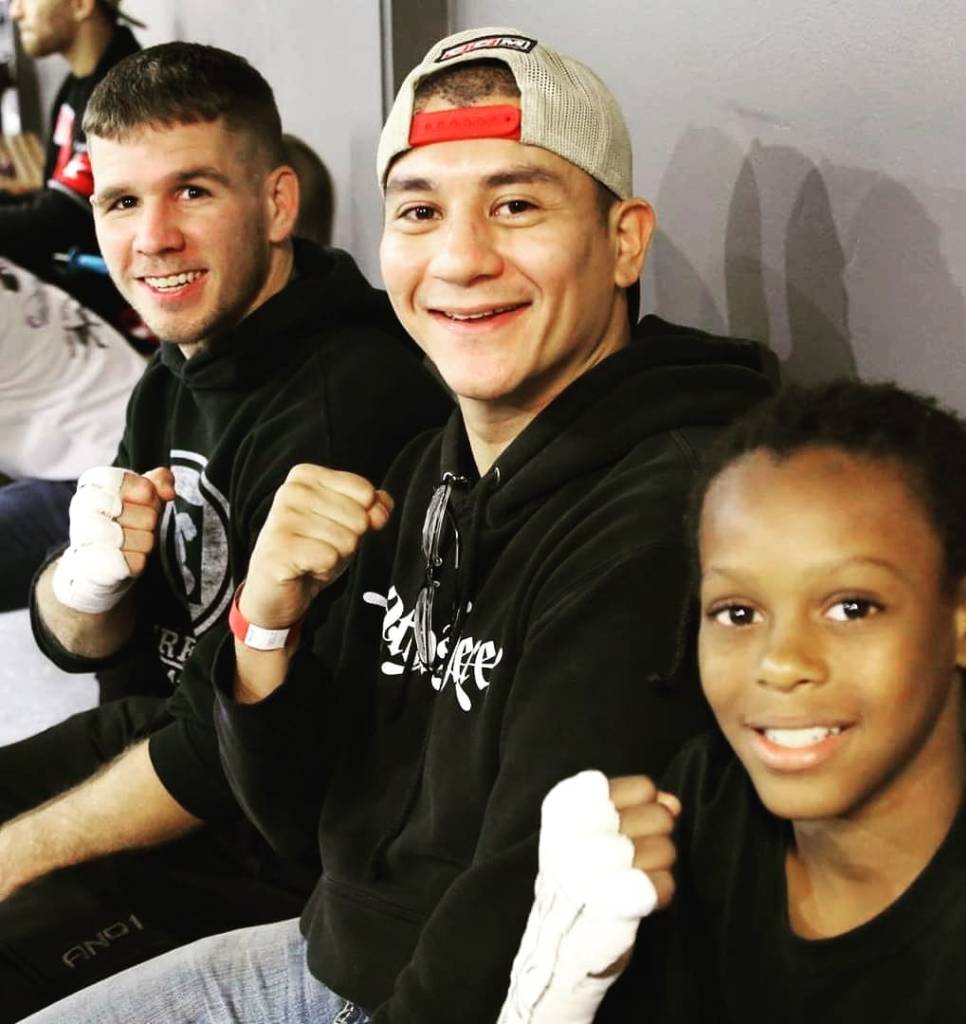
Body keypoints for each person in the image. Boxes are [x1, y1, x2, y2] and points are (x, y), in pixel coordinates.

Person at [15, 26, 777, 1024]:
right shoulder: (427, 470)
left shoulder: (659, 515)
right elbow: (300, 812)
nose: (460, 259)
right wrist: (266, 623)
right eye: (420, 210)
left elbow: (516, 905)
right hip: (328, 940)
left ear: (623, 239)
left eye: (513, 204)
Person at [0, 42, 450, 1021]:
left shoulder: (346, 402)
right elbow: (79, 645)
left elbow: (229, 751)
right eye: (121, 203)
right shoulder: (177, 365)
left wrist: (17, 852)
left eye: (192, 192)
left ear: (278, 204)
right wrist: (85, 582)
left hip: (260, 844)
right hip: (153, 752)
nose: (152, 237)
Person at [500, 379, 966, 1023]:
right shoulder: (698, 811)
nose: (780, 662)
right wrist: (554, 992)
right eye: (738, 611)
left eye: (852, 607)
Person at [0, 0, 145, 611]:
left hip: (112, 462)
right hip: (112, 408)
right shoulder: (71, 90)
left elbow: (59, 220)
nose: (15, 11)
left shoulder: (123, 86)